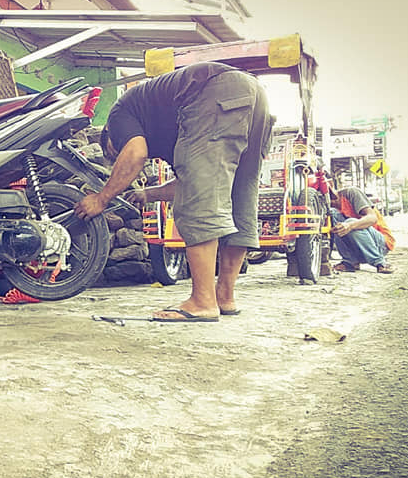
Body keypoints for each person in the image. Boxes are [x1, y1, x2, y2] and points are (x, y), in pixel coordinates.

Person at [73, 62, 271, 322]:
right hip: (255, 94)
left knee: (196, 206)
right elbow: (191, 183)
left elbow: (134, 154)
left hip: (214, 91)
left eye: (114, 150)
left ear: (110, 136)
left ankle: (202, 301)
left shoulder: (118, 115)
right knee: (239, 196)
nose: (117, 152)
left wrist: (101, 198)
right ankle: (224, 296)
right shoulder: (168, 133)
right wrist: (148, 194)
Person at [328, 184, 395, 274]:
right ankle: (350, 262)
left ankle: (381, 263)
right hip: (358, 248)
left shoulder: (351, 193)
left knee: (351, 222)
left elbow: (372, 218)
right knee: (332, 216)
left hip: (379, 244)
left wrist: (350, 225)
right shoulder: (332, 210)